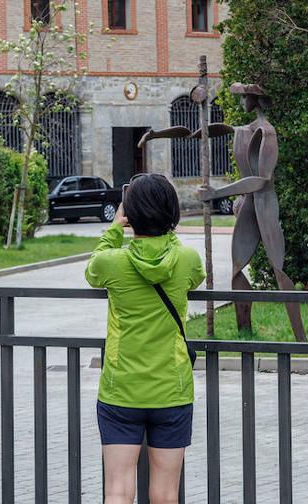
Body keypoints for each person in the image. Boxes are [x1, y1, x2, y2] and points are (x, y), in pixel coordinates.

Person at [85, 173, 205, 504]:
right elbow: (196, 276)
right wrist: (167, 233)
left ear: (129, 214)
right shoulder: (187, 258)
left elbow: (92, 270)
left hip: (120, 389)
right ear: (173, 214)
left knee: (118, 490)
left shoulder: (113, 261)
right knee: (166, 494)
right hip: (172, 390)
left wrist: (114, 229)